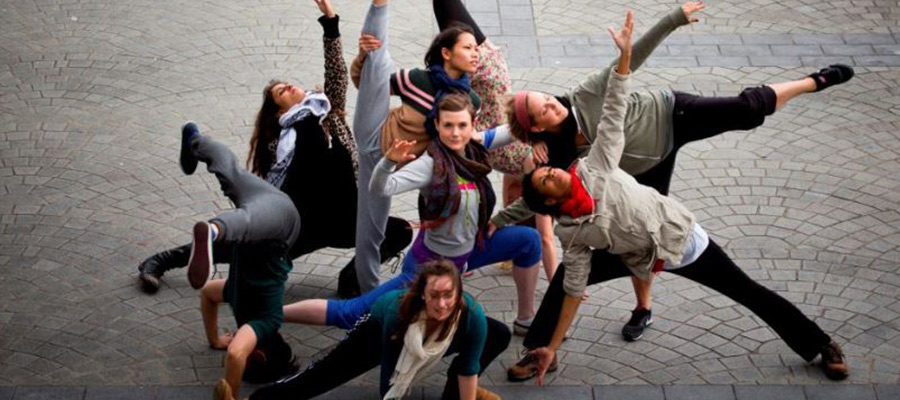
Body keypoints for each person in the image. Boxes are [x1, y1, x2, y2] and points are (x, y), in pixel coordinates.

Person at [496, 10, 850, 384]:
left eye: (549, 98)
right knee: (569, 277)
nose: (554, 103)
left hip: (670, 150)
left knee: (745, 288)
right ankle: (542, 351)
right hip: (635, 235)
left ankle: (819, 343)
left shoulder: (591, 158)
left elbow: (616, 100)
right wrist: (495, 221)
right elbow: (538, 211)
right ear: (537, 128)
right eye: (544, 108)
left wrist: (667, 23)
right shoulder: (564, 192)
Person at [135, 0, 412, 298]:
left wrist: (330, 21)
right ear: (278, 112)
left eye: (289, 84)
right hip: (304, 224)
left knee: (400, 231)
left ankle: (351, 280)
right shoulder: (280, 141)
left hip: (347, 216)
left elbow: (336, 74)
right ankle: (161, 261)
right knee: (241, 249)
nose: (290, 87)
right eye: (281, 92)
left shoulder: (328, 115)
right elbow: (268, 187)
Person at [281, 92, 542, 335]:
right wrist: (389, 161)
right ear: (437, 126)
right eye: (448, 126)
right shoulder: (430, 165)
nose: (455, 133)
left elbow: (515, 128)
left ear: (473, 124)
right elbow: (380, 187)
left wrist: (543, 134)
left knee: (529, 241)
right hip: (429, 266)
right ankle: (271, 316)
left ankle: (526, 320)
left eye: (462, 125)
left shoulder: (475, 146)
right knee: (350, 313)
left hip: (469, 251)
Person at [214, 260, 511, 400]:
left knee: (499, 333)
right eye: (435, 295)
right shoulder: (398, 313)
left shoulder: (472, 317)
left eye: (449, 295)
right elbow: (390, 381)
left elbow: (468, 368)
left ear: (460, 295)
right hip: (377, 329)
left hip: (444, 335)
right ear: (423, 294)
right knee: (321, 376)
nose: (443, 303)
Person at [350, 0, 482, 294]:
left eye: (476, 48)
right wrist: (364, 56)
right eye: (468, 47)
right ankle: (380, 5)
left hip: (392, 165)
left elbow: (464, 141)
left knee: (371, 234)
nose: (476, 53)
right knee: (379, 61)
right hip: (375, 133)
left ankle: (368, 300)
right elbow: (368, 83)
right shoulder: (416, 80)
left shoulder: (471, 101)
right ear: (446, 53)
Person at [433, 0, 558, 281]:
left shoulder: (527, 165)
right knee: (448, 11)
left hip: (485, 76)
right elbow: (544, 236)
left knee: (446, 11)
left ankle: (460, 257)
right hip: (489, 74)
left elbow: (517, 196)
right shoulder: (532, 166)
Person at [176, 121, 301, 397]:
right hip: (281, 226)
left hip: (264, 202)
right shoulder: (268, 321)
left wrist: (215, 339)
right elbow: (236, 355)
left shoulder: (236, 294)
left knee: (230, 172)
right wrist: (230, 392)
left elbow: (208, 294)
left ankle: (195, 141)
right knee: (244, 223)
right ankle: (212, 231)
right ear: (259, 356)